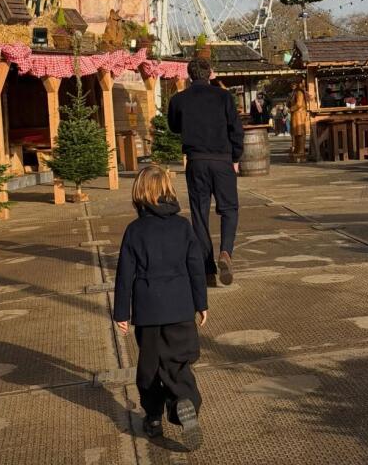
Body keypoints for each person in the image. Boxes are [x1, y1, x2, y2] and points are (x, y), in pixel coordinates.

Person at [113, 164, 208, 449]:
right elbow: (196, 268)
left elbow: (124, 274)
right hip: (180, 308)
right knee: (178, 364)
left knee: (150, 367)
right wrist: (201, 304)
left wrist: (121, 313)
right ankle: (183, 402)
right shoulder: (183, 226)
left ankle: (153, 417)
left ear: (139, 194)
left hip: (149, 312)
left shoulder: (135, 231)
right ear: (169, 191)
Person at [168, 58, 244, 285]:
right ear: (210, 73)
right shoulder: (224, 97)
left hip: (196, 161)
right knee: (229, 209)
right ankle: (226, 252)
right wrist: (236, 157)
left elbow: (173, 126)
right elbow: (236, 130)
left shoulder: (179, 99)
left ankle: (207, 269)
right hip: (222, 160)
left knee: (199, 214)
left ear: (189, 75)